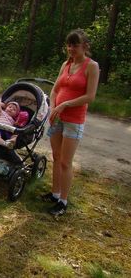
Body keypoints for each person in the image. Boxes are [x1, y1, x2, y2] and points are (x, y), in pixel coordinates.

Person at [41, 29, 99, 216]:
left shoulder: (91, 66)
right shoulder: (66, 64)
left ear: (85, 46)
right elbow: (55, 89)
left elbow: (90, 96)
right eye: (69, 45)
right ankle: (55, 193)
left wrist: (65, 104)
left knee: (66, 162)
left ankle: (63, 201)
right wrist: (52, 107)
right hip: (58, 116)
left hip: (74, 120)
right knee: (56, 156)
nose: (71, 48)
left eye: (75, 45)